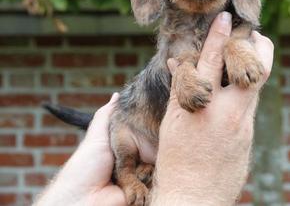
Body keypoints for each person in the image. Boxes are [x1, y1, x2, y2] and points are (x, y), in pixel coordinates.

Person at [34, 12, 274, 206]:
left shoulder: (238, 22)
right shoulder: (175, 28)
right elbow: (177, 60)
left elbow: (245, 32)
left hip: (169, 155)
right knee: (121, 121)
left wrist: (237, 47)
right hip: (140, 127)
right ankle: (127, 174)